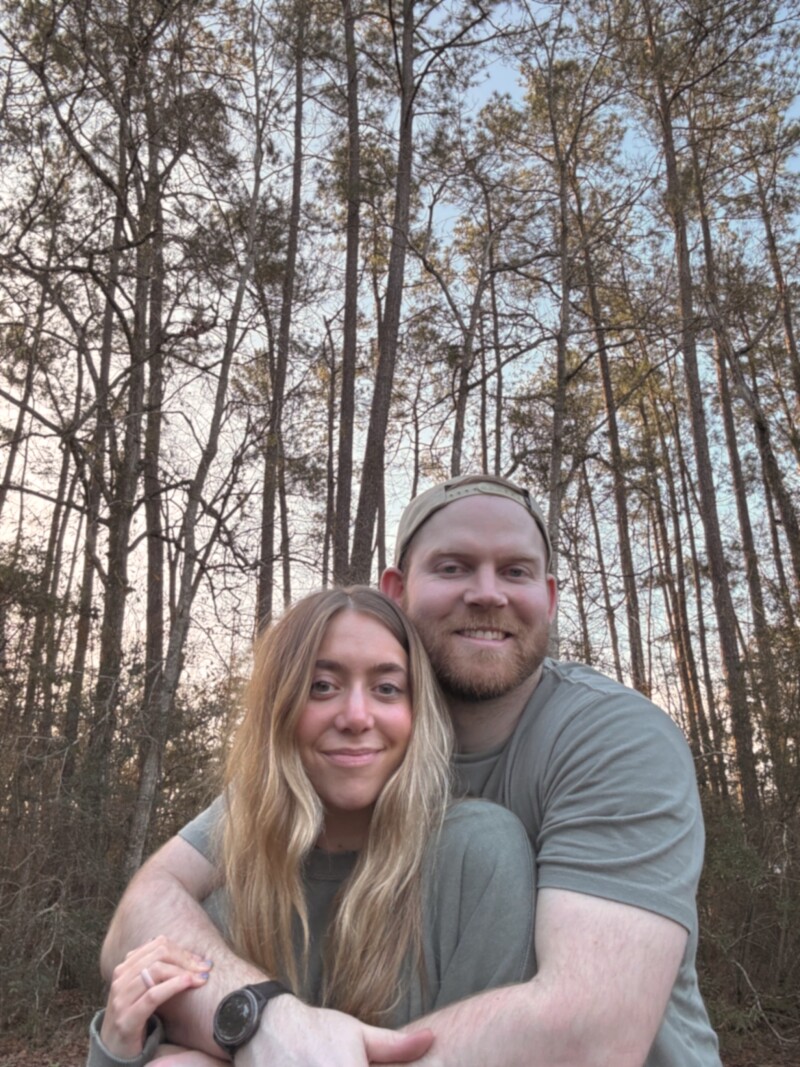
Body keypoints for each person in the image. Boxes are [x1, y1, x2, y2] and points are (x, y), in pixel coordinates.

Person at [101, 474, 723, 1067]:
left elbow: (589, 1039)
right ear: (395, 592)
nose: (487, 592)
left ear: (550, 598)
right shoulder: (359, 749)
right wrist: (261, 1017)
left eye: (516, 571)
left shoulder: (612, 740)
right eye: (452, 567)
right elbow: (146, 904)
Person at [90, 586, 534, 1067]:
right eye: (322, 686)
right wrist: (116, 1053)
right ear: (279, 708)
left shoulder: (479, 855)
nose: (357, 716)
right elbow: (144, 905)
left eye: (387, 688)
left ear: (417, 711)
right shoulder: (234, 860)